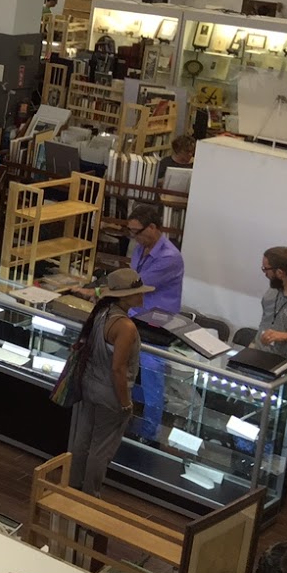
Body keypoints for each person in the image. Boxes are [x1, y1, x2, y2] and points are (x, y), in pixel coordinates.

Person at [66, 267, 148, 495]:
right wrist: (125, 403)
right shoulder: (126, 327)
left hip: (90, 385)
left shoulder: (102, 313)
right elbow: (118, 368)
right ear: (125, 296)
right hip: (109, 394)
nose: (142, 296)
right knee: (101, 449)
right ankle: (90, 494)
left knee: (83, 440)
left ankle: (72, 487)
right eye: (138, 292)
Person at [125, 201, 183, 441]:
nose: (133, 237)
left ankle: (150, 433)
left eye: (136, 231)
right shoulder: (140, 248)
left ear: (152, 227)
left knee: (151, 380)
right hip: (135, 318)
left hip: (155, 326)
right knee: (126, 371)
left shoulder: (169, 257)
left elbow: (138, 285)